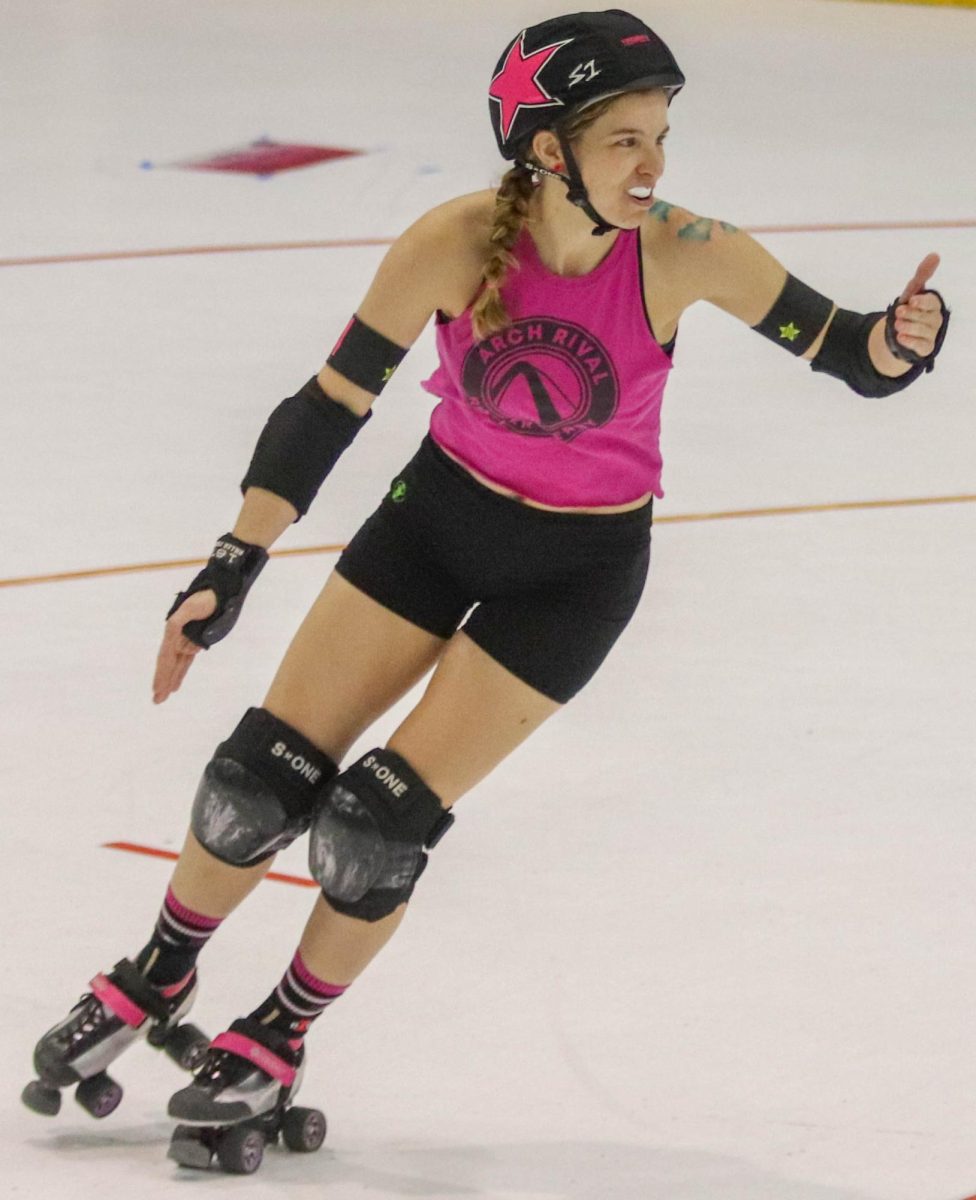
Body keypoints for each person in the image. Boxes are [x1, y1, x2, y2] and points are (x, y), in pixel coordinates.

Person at [24, 6, 949, 1158]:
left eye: (660, 133)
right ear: (547, 149)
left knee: (375, 829)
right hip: (435, 525)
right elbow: (328, 407)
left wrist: (907, 336)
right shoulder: (453, 241)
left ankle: (278, 1032)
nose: (654, 164)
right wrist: (233, 559)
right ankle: (154, 973)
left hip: (574, 573)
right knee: (254, 782)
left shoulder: (685, 247)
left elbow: (855, 357)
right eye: (624, 140)